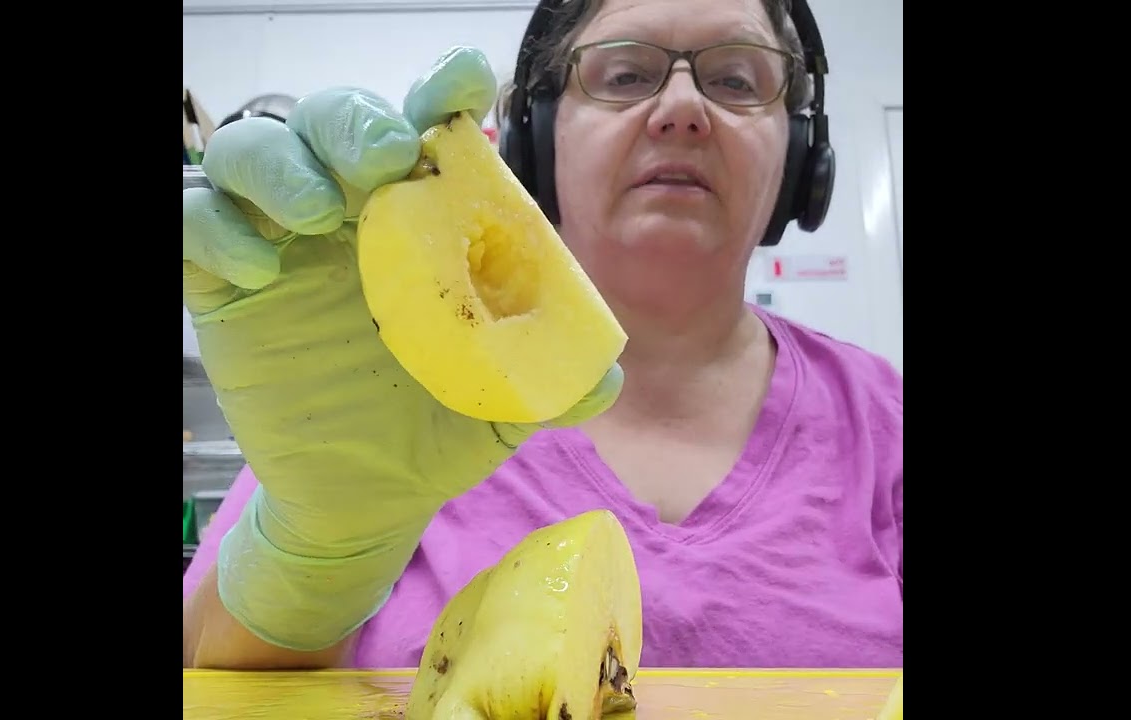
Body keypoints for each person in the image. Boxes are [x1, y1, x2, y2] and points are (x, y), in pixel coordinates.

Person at [181, 0, 902, 673]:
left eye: (737, 80)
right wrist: (319, 556)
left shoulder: (886, 421)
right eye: (625, 74)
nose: (683, 110)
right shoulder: (380, 374)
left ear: (802, 151)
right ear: (538, 134)